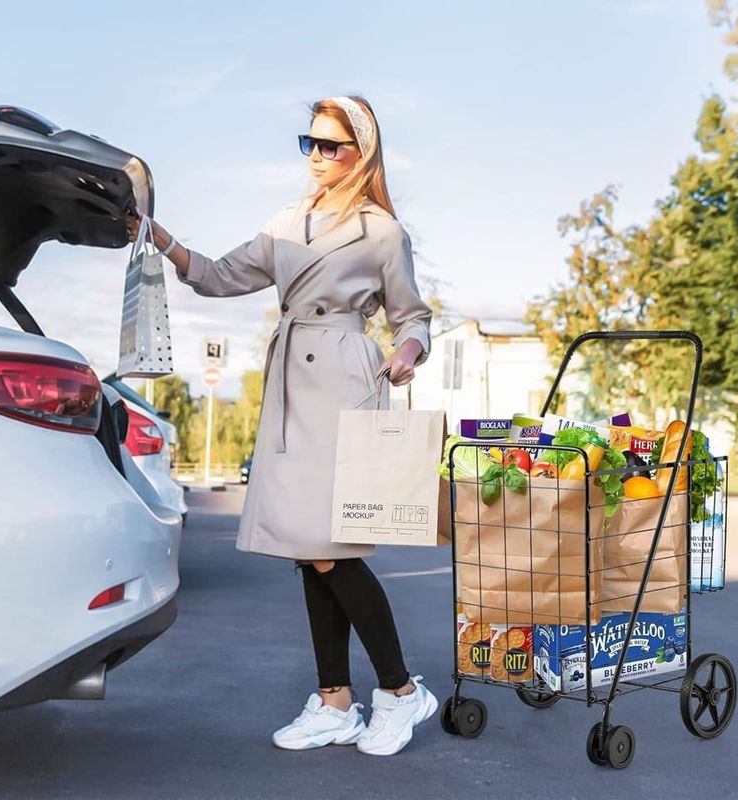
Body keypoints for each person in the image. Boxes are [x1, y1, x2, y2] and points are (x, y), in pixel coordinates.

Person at [127, 95, 436, 756]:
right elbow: (215, 276)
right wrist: (161, 240)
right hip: (294, 381)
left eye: (332, 145)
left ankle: (402, 693)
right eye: (311, 143)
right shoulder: (285, 224)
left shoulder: (382, 231)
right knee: (309, 547)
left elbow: (413, 315)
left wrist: (408, 351)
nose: (318, 156)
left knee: (331, 544)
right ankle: (335, 702)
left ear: (363, 154)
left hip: (348, 382)